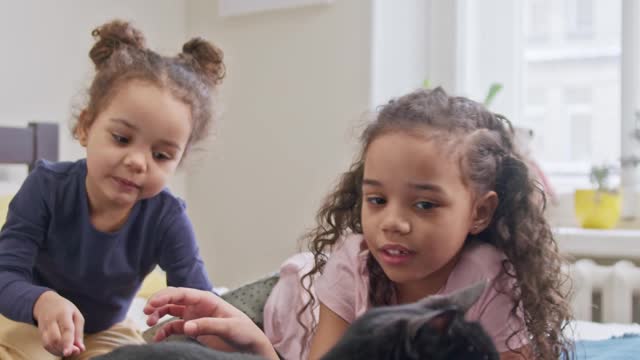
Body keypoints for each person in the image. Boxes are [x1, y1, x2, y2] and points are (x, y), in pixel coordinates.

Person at [142, 88, 575, 360]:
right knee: (193, 332)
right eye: (377, 200)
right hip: (292, 300)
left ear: (479, 211)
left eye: (424, 205)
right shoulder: (354, 261)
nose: (393, 223)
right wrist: (259, 347)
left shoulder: (490, 280)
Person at [0, 19, 225, 360]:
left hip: (106, 329)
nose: (138, 162)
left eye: (161, 155)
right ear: (86, 127)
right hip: (27, 321)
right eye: (122, 139)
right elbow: (5, 275)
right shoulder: (46, 187)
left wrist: (212, 328)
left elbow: (199, 298)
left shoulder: (165, 216)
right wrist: (40, 301)